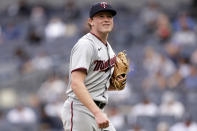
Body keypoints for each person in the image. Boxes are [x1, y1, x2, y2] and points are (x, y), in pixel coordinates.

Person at [61, 2, 123, 131]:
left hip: (97, 109)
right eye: (101, 16)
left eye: (109, 16)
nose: (106, 19)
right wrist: (97, 113)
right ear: (91, 21)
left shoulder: (108, 48)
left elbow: (98, 84)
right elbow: (76, 83)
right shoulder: (86, 45)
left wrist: (117, 83)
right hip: (80, 109)